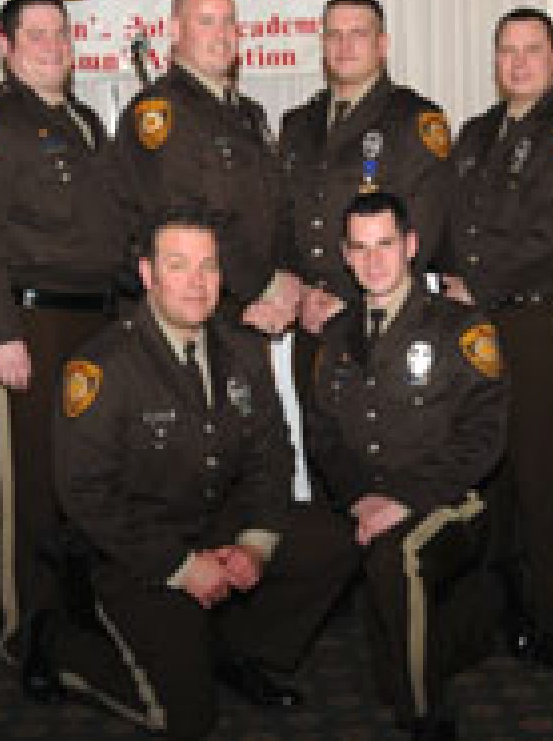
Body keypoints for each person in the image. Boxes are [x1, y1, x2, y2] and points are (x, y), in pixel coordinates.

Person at [36, 209, 356, 738]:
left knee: (333, 543)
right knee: (187, 717)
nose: (197, 283)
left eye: (208, 267)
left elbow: (271, 455)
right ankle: (60, 648)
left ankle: (234, 652)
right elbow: (86, 495)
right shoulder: (103, 367)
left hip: (211, 521)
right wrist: (182, 567)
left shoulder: (243, 350)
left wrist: (254, 544)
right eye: (179, 266)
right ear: (148, 275)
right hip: (133, 551)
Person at [0, 0, 130, 661]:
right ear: (6, 44)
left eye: (60, 32)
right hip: (28, 324)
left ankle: (72, 615)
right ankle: (25, 630)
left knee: (79, 479)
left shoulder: (81, 119)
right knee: (26, 483)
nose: (53, 45)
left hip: (91, 324)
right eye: (37, 35)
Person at [441, 7, 553, 667]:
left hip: (540, 319)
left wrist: (472, 281)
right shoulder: (478, 132)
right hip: (479, 319)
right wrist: (448, 274)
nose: (519, 62)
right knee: (492, 470)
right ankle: (505, 600)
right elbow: (458, 221)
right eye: (507, 51)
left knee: (548, 471)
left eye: (532, 50)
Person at [308, 192, 507, 741]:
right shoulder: (335, 335)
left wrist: (403, 500)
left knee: (401, 553)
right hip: (365, 498)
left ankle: (423, 714)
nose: (374, 261)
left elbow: (484, 437)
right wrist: (358, 498)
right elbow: (323, 436)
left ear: (412, 246)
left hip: (449, 499)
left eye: (386, 245)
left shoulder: (461, 327)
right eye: (361, 248)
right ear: (345, 256)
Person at [115, 0, 299, 334]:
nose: (221, 34)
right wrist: (263, 285)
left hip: (246, 311)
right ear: (175, 30)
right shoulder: (161, 111)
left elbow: (273, 209)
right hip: (193, 313)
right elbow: (181, 218)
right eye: (206, 21)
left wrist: (290, 280)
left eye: (229, 22)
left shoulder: (249, 114)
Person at [280, 0, 452, 348]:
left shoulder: (414, 119)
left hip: (381, 321)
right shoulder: (298, 123)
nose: (344, 46)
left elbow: (422, 230)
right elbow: (284, 215)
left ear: (382, 44)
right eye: (333, 35)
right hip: (309, 318)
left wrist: (349, 304)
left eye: (358, 34)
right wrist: (298, 289)